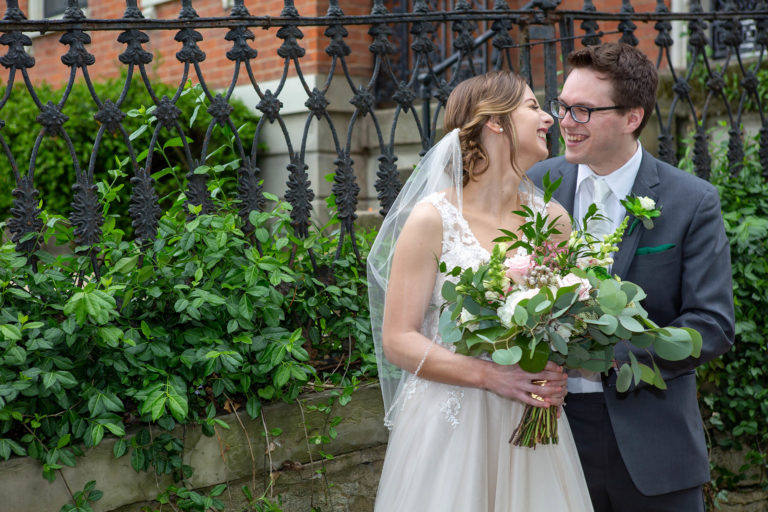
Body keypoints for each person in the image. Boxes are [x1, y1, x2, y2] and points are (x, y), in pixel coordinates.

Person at [367, 70, 594, 511]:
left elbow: (566, 321)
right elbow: (397, 340)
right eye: (533, 107)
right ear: (494, 121)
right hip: (450, 422)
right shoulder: (432, 219)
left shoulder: (552, 220)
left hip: (529, 417)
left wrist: (553, 364)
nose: (549, 118)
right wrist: (493, 375)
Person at [527, 42, 735, 512]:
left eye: (582, 110)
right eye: (562, 106)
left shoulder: (692, 201)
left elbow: (712, 325)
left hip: (655, 447)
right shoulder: (537, 185)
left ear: (632, 117)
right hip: (549, 437)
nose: (565, 121)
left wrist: (607, 357)